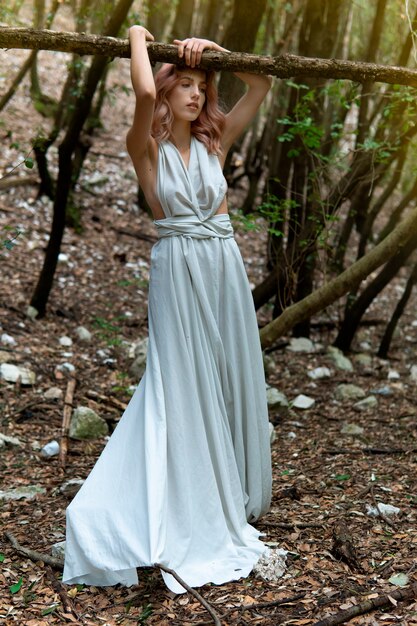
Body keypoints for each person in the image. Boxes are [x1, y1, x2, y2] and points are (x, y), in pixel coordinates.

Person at [62, 27, 273, 594]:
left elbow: (260, 83)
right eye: (186, 84)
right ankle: (166, 500)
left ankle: (226, 486)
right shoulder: (146, 148)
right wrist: (136, 37)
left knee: (224, 374)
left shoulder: (216, 141)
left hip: (223, 266)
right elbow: (145, 98)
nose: (197, 94)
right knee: (179, 384)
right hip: (177, 271)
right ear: (168, 88)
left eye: (202, 86)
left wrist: (211, 52)